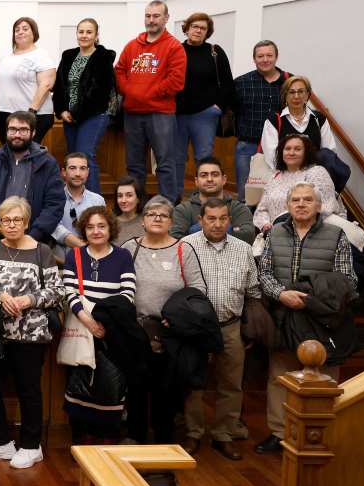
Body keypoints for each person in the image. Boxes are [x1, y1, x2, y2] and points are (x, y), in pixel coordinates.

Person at [256, 182, 356, 454]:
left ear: (319, 205)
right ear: (287, 205)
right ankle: (278, 433)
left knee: (325, 376)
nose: (301, 204)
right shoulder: (274, 233)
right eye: (296, 200)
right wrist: (281, 294)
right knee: (279, 375)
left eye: (307, 199)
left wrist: (314, 300)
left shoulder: (337, 235)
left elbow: (347, 280)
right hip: (283, 313)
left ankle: (323, 432)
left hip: (323, 319)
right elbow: (264, 273)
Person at [0, 197, 66, 469]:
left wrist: (28, 300)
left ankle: (31, 445)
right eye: (6, 220)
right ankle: (0, 442)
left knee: (28, 389)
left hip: (30, 334)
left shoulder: (42, 251)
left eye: (17, 220)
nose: (11, 225)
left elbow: (57, 291)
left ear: (26, 222)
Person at [120, 196, 207, 444]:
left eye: (163, 215)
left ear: (171, 222)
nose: (157, 218)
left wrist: (179, 319)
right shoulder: (129, 248)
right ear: (143, 221)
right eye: (151, 214)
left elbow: (197, 290)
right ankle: (135, 437)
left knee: (166, 391)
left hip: (171, 334)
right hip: (136, 331)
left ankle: (163, 442)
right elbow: (118, 288)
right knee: (136, 387)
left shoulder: (183, 249)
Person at [181, 198, 261, 460]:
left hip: (230, 327)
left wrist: (249, 326)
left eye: (223, 218)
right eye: (211, 218)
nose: (217, 224)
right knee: (194, 383)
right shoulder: (186, 246)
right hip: (196, 330)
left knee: (231, 383)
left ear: (230, 220)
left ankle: (223, 434)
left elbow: (252, 290)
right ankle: (193, 433)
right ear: (201, 220)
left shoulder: (243, 249)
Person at [61, 206, 140, 443]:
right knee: (79, 384)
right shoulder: (74, 256)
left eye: (101, 226)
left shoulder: (123, 256)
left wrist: (104, 323)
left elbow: (128, 293)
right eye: (90, 227)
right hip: (81, 328)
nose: (96, 231)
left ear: (111, 228)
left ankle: (107, 441)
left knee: (111, 386)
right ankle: (80, 442)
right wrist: (89, 321)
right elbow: (69, 292)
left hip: (112, 332)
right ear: (84, 230)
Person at [114, 0, 187, 202]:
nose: (151, 20)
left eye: (156, 16)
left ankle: (168, 206)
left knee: (165, 163)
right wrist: (130, 90)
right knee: (134, 165)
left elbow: (176, 81)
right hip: (133, 114)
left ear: (166, 18)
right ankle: (136, 206)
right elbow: (119, 70)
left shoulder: (174, 47)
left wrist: (148, 93)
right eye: (148, 16)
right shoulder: (131, 46)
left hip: (161, 113)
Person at [0, 111, 65, 243]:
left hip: (31, 240)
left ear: (33, 132)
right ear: (6, 131)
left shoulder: (48, 163)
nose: (17, 135)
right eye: (13, 130)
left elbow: (55, 204)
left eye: (23, 130)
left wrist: (34, 236)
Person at [55, 19, 116, 195]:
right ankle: (74, 200)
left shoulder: (103, 58)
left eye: (89, 32)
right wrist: (61, 110)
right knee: (73, 159)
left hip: (95, 114)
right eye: (81, 31)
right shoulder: (68, 55)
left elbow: (100, 92)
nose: (84, 35)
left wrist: (76, 113)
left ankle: (94, 206)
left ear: (96, 35)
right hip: (68, 116)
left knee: (85, 156)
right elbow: (59, 85)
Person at [175, 12, 235, 177]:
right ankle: (175, 199)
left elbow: (228, 83)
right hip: (177, 115)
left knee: (204, 159)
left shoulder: (215, 52)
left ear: (207, 32)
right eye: (195, 26)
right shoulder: (175, 50)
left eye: (203, 28)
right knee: (176, 159)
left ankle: (203, 199)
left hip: (205, 115)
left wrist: (218, 107)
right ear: (186, 29)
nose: (198, 30)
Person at [253, 134, 344, 233]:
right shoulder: (274, 177)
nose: (291, 153)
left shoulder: (317, 172)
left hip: (313, 233)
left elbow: (325, 207)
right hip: (276, 234)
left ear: (306, 152)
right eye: (287, 149)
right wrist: (265, 225)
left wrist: (290, 226)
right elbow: (262, 209)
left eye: (297, 149)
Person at [233, 40, 290, 193]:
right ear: (254, 59)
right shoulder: (241, 83)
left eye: (269, 55)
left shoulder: (290, 82)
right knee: (246, 194)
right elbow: (232, 110)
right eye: (260, 56)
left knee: (279, 193)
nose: (265, 59)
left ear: (276, 57)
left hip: (282, 148)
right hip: (248, 147)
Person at [0, 16, 58, 143]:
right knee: (9, 154)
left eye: (25, 29)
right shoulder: (4, 59)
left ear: (34, 33)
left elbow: (46, 84)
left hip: (33, 114)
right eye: (17, 30)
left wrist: (31, 112)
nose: (20, 32)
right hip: (4, 113)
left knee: (27, 154)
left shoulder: (41, 55)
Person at [171, 157, 256, 244]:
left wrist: (194, 230)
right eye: (204, 175)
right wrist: (229, 229)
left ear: (224, 179)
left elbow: (248, 235)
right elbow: (174, 239)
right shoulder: (183, 210)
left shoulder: (238, 208)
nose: (209, 179)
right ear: (196, 181)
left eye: (215, 175)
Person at [260, 74, 336, 169]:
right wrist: (292, 173)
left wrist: (315, 174)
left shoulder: (319, 119)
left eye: (301, 91)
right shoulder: (273, 121)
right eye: (291, 92)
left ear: (307, 95)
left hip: (315, 176)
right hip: (285, 176)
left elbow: (328, 151)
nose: (296, 96)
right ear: (285, 95)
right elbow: (271, 156)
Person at [52, 152, 107, 260]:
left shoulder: (97, 200)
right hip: (60, 261)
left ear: (87, 172)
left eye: (82, 168)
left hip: (92, 260)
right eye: (72, 168)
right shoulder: (53, 198)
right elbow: (54, 228)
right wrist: (85, 247)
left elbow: (103, 230)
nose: (78, 173)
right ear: (63, 172)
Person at [113, 176, 146, 244]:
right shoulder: (111, 223)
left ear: (138, 198)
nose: (123, 200)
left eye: (129, 195)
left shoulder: (147, 222)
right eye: (120, 196)